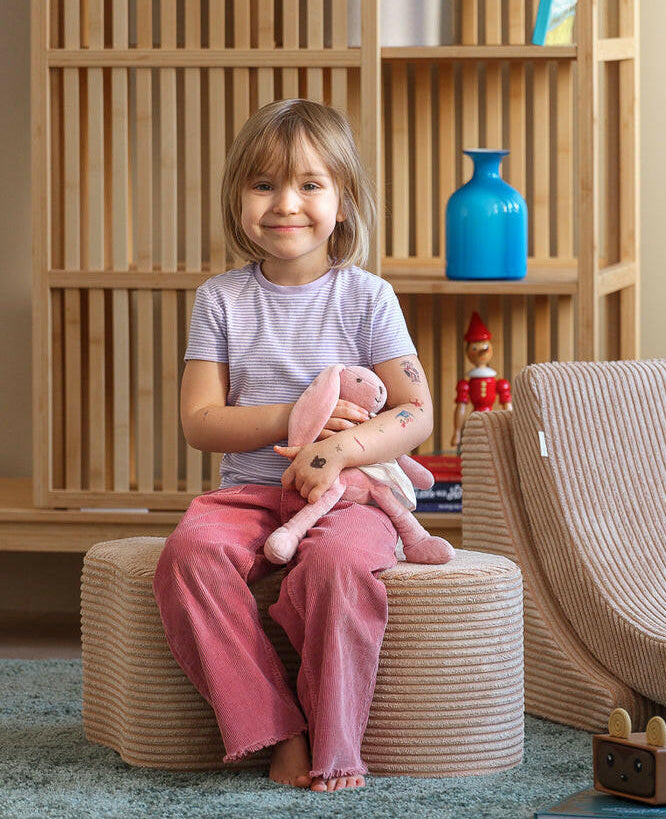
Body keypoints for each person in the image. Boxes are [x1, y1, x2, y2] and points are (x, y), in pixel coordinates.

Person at [152, 99, 434, 792]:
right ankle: (279, 727)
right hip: (247, 492)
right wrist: (300, 417)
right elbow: (200, 422)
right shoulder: (220, 299)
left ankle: (336, 742)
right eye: (263, 183)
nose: (286, 203)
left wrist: (338, 451)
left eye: (310, 184)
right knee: (187, 555)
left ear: (342, 203)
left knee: (338, 567)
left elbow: (416, 411)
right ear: (237, 198)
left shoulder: (367, 297)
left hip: (347, 497)